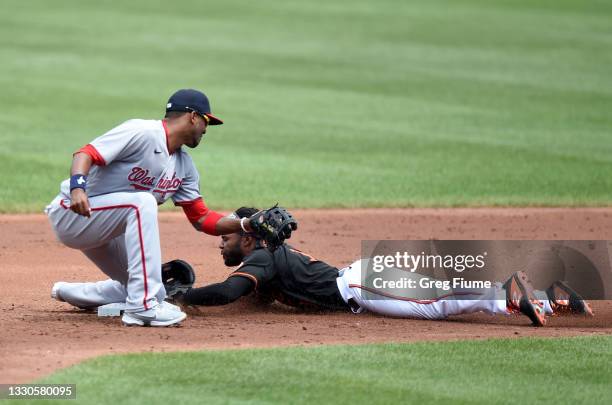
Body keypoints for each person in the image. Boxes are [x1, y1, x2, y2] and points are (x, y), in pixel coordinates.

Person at [46, 90, 262, 327]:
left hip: (107, 226)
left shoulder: (184, 166)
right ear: (192, 116)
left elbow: (202, 218)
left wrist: (247, 224)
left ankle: (69, 291)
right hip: (73, 213)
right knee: (142, 202)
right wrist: (78, 188)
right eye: (206, 121)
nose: (206, 128)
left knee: (149, 287)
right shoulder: (143, 132)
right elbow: (85, 154)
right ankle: (142, 307)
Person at [176, 207, 594, 326]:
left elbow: (229, 292)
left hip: (360, 285)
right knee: (436, 299)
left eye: (226, 237)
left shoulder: (262, 258)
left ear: (249, 238)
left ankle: (509, 295)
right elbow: (247, 296)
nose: (222, 242)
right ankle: (545, 297)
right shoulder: (266, 257)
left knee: (437, 304)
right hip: (362, 279)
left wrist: (184, 296)